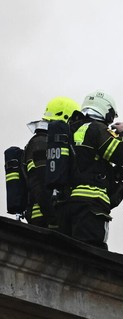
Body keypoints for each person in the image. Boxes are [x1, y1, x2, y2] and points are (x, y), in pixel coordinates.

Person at [55, 90, 123, 249]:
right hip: (90, 206)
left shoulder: (69, 129)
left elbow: (84, 163)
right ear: (106, 110)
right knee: (91, 255)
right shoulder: (96, 129)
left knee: (65, 254)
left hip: (65, 204)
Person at [22, 96, 80, 228]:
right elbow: (40, 184)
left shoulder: (50, 141)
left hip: (50, 216)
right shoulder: (41, 142)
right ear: (65, 117)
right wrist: (54, 221)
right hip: (44, 220)